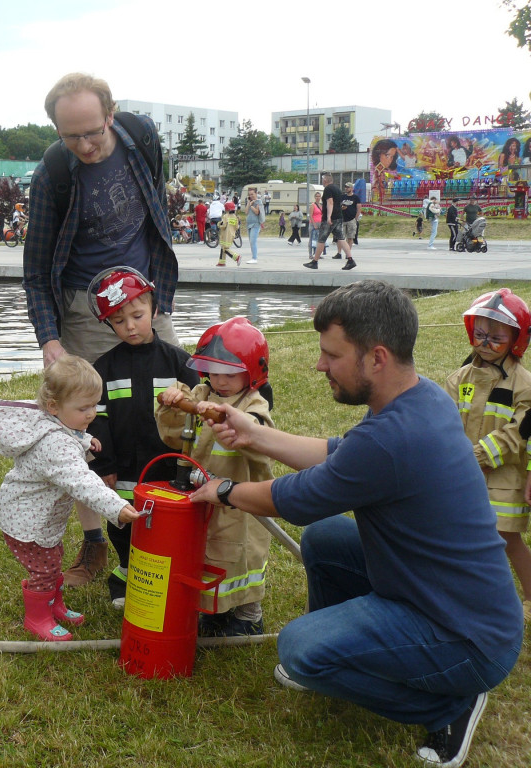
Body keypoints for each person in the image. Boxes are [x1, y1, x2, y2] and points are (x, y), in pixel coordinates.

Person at [189, 280, 523, 768]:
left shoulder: (393, 437)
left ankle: (448, 705)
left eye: (331, 354)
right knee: (326, 541)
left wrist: (221, 490)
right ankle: (349, 658)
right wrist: (256, 435)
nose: (320, 365)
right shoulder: (421, 398)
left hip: (467, 639)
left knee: (300, 647)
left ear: (376, 358)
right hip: (450, 599)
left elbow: (296, 498)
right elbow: (337, 453)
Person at [22, 72, 180, 587]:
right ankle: (95, 545)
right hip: (83, 313)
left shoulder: (143, 139)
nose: (85, 145)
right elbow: (36, 265)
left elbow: (156, 214)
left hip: (142, 299)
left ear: (110, 115)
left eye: (93, 131)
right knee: (83, 426)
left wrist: (159, 297)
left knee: (179, 398)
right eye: (72, 136)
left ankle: (179, 517)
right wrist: (50, 338)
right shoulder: (52, 174)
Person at [0, 356, 140, 641]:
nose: (91, 413)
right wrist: (117, 506)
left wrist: (84, 440)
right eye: (84, 408)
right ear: (54, 407)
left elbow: (70, 436)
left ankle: (56, 604)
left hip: (39, 519)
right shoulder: (55, 444)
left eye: (94, 405)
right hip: (26, 523)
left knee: (54, 559)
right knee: (44, 569)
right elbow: (81, 481)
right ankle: (37, 616)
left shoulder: (59, 424)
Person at [83, 267, 198, 609]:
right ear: (108, 324)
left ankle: (167, 575)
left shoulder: (180, 362)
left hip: (171, 469)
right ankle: (124, 574)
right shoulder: (103, 368)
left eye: (137, 315)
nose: (130, 326)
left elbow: (200, 406)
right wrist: (103, 465)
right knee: (123, 521)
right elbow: (95, 419)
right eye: (119, 321)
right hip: (123, 466)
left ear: (155, 311)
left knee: (170, 524)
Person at [157, 317, 274, 636]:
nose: (220, 381)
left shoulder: (253, 402)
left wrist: (232, 421)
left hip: (240, 499)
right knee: (210, 553)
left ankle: (249, 614)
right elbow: (175, 436)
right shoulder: (199, 391)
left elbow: (259, 434)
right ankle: (216, 612)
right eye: (214, 371)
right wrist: (171, 405)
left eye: (230, 374)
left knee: (243, 556)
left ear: (252, 372)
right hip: (205, 493)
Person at [447, 289, 531, 624]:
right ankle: (469, 601)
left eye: (496, 337)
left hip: (504, 476)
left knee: (506, 538)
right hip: (464, 472)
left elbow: (517, 434)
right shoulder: (460, 378)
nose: (485, 343)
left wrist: (477, 456)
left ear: (516, 340)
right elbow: (446, 420)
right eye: (480, 334)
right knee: (464, 537)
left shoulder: (524, 385)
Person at [304, 172, 354, 271]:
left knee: (321, 239)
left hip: (331, 218)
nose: (322, 182)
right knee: (341, 239)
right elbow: (338, 203)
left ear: (325, 180)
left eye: (322, 180)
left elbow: (330, 203)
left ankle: (315, 262)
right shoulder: (337, 189)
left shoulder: (328, 189)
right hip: (339, 217)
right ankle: (350, 260)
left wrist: (328, 217)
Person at [335, 181, 360, 259]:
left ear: (352, 188)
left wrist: (355, 218)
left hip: (351, 220)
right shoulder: (342, 197)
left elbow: (359, 208)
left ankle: (347, 253)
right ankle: (339, 253)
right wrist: (341, 208)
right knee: (340, 237)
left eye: (348, 187)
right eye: (345, 187)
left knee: (350, 237)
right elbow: (337, 206)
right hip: (342, 219)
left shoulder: (355, 198)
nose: (346, 188)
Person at [243, 187, 264, 264]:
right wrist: (249, 203)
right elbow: (246, 212)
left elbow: (257, 212)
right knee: (250, 241)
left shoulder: (259, 202)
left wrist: (252, 206)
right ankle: (253, 257)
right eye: (249, 194)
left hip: (255, 224)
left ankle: (254, 258)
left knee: (253, 241)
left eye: (252, 194)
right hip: (249, 224)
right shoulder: (250, 202)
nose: (251, 196)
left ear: (256, 193)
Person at [216, 201, 240, 267]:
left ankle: (236, 257)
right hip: (231, 235)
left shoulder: (225, 216)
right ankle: (221, 262)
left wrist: (218, 224)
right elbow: (237, 227)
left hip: (225, 235)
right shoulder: (235, 217)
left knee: (225, 249)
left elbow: (223, 225)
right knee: (223, 248)